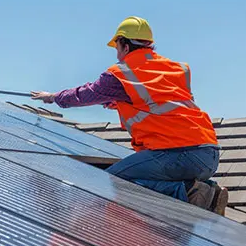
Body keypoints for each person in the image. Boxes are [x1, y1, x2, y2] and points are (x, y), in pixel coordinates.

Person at [31, 16, 228, 216]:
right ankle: (208, 190)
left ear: (125, 45)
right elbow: (157, 102)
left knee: (112, 182)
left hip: (178, 155)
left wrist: (55, 97)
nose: (117, 55)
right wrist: (116, 102)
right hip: (208, 155)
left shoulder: (122, 73)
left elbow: (86, 94)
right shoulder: (173, 68)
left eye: (117, 47)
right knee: (131, 176)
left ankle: (189, 192)